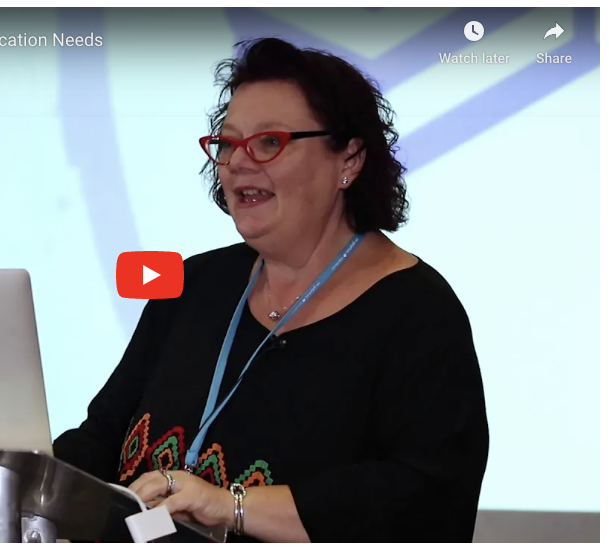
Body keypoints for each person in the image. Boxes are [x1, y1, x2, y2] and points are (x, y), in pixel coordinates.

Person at [53, 37, 489, 543]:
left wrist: (230, 507)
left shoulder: (418, 314)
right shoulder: (194, 286)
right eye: (228, 143)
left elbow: (423, 501)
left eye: (268, 142)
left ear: (348, 159)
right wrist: (8, 470)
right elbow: (102, 439)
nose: (238, 162)